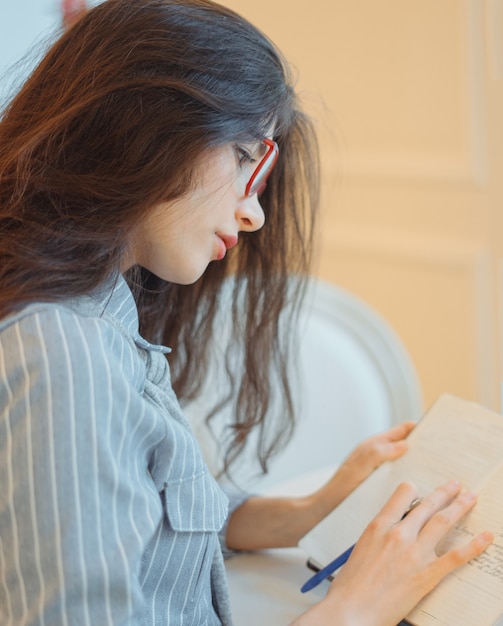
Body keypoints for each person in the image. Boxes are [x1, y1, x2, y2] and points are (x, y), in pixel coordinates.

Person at [0, 0, 493, 624]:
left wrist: (308, 511)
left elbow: (140, 517)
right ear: (143, 123)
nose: (254, 214)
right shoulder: (62, 353)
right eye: (242, 156)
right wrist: (355, 606)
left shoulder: (96, 310)